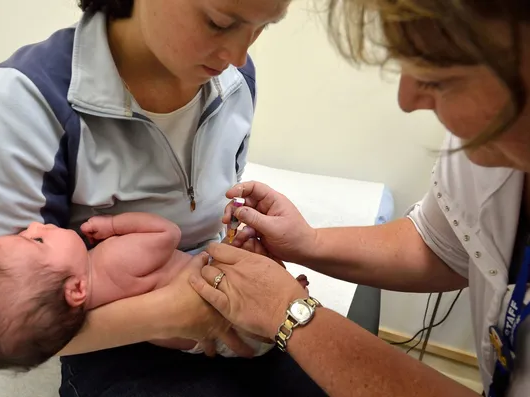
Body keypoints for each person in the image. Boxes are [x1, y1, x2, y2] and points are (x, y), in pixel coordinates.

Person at [0, 0, 328, 395]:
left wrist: (239, 242)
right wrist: (170, 313)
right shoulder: (29, 98)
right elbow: (9, 327)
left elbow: (215, 214)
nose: (238, 55)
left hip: (215, 293)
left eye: (262, 27)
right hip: (110, 340)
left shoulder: (237, 83)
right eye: (219, 23)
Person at [189, 0, 530, 396]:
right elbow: (447, 243)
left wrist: (291, 313)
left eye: (444, 75)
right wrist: (307, 243)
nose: (407, 99)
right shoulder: (491, 148)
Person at [0, 212, 305, 371]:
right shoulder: (113, 258)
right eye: (38, 241)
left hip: (213, 343)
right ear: (75, 288)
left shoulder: (76, 314)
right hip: (224, 310)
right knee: (248, 270)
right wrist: (113, 226)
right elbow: (167, 235)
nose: (33, 224)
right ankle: (287, 299)